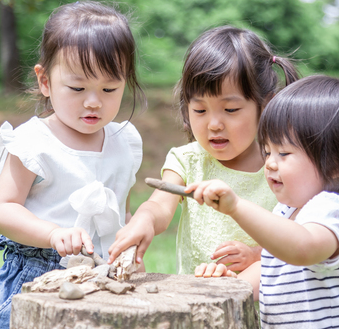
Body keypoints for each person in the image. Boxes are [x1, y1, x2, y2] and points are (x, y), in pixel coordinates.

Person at [0, 1, 145, 329]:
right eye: (77, 87)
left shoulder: (125, 141)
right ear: (45, 81)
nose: (93, 101)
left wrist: (129, 244)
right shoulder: (34, 142)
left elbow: (120, 212)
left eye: (109, 88)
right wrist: (53, 233)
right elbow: (2, 210)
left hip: (102, 277)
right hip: (39, 274)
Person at [188, 75, 339, 328]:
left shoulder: (334, 210)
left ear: (336, 164)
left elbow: (303, 248)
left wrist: (237, 207)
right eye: (266, 151)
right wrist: (232, 285)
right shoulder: (286, 211)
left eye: (284, 153)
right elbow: (270, 272)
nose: (270, 163)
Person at [108, 26, 299, 279]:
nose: (214, 124)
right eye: (200, 110)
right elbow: (159, 207)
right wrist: (144, 218)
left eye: (230, 110)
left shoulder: (281, 168)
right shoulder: (188, 160)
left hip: (264, 310)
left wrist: (257, 254)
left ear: (266, 106)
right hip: (197, 303)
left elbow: (300, 236)